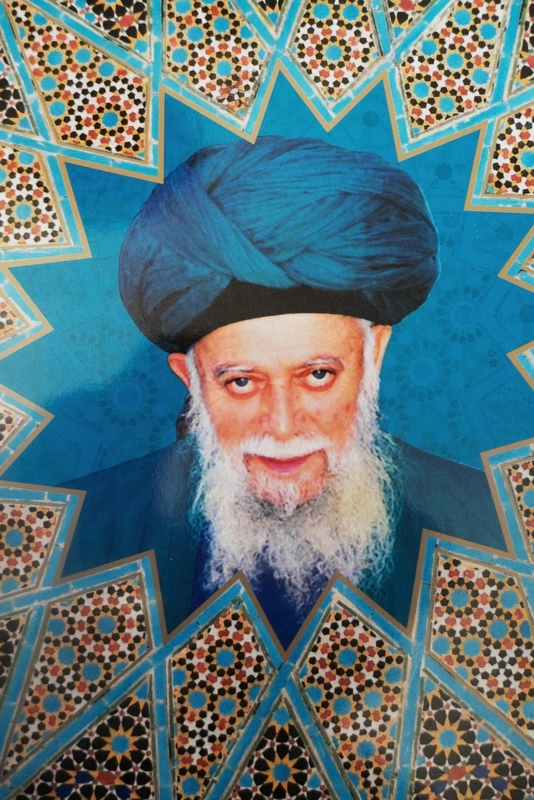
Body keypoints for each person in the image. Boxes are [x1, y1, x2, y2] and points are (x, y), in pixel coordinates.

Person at [62, 137, 505, 648]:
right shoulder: (75, 535)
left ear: (374, 357)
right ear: (191, 380)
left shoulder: (491, 527)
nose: (282, 425)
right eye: (241, 382)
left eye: (317, 375)